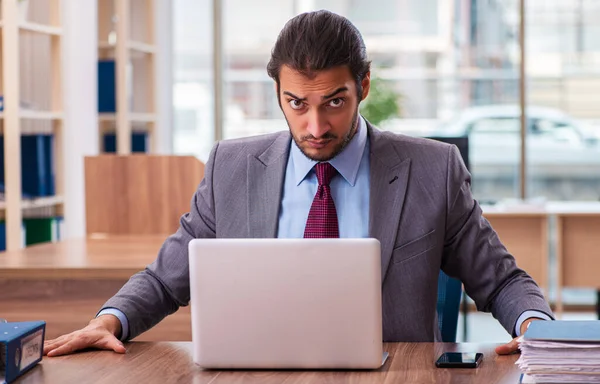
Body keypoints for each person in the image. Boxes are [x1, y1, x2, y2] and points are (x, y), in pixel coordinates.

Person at [44, 10, 552, 357]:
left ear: (364, 86)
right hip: (261, 381)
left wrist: (537, 331)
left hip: (395, 383)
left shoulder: (432, 170)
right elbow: (166, 279)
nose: (315, 126)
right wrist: (110, 320)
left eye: (334, 101)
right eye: (296, 103)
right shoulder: (232, 167)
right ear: (277, 92)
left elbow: (502, 281)